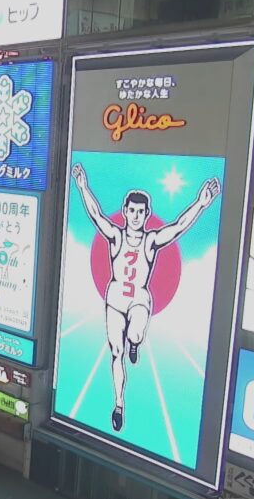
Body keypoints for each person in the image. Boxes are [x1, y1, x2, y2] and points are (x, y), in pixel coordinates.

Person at [70, 163, 219, 432]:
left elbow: (178, 227)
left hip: (139, 298)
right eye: (132, 211)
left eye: (141, 211)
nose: (136, 215)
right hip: (115, 299)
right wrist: (82, 186)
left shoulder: (151, 240)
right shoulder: (115, 235)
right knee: (116, 353)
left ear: (147, 214)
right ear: (125, 212)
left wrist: (201, 203)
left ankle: (135, 342)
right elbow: (96, 215)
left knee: (135, 335)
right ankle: (118, 404)